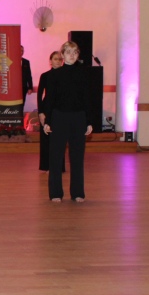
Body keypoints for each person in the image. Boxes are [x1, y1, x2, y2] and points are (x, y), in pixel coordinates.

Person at [43, 41, 93, 202]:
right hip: (59, 117)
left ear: (78, 55)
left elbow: (87, 100)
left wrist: (89, 121)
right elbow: (49, 100)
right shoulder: (54, 75)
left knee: (77, 156)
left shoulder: (84, 74)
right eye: (68, 52)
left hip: (78, 118)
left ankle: (77, 193)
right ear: (63, 55)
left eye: (75, 52)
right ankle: (55, 193)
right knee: (56, 156)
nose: (72, 55)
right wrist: (47, 121)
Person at [37, 50, 65, 172]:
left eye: (60, 59)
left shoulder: (65, 75)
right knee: (46, 138)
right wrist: (40, 112)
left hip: (61, 108)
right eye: (55, 59)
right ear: (50, 61)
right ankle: (46, 165)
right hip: (47, 108)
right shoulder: (45, 75)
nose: (58, 61)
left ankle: (58, 166)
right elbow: (39, 95)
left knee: (59, 138)